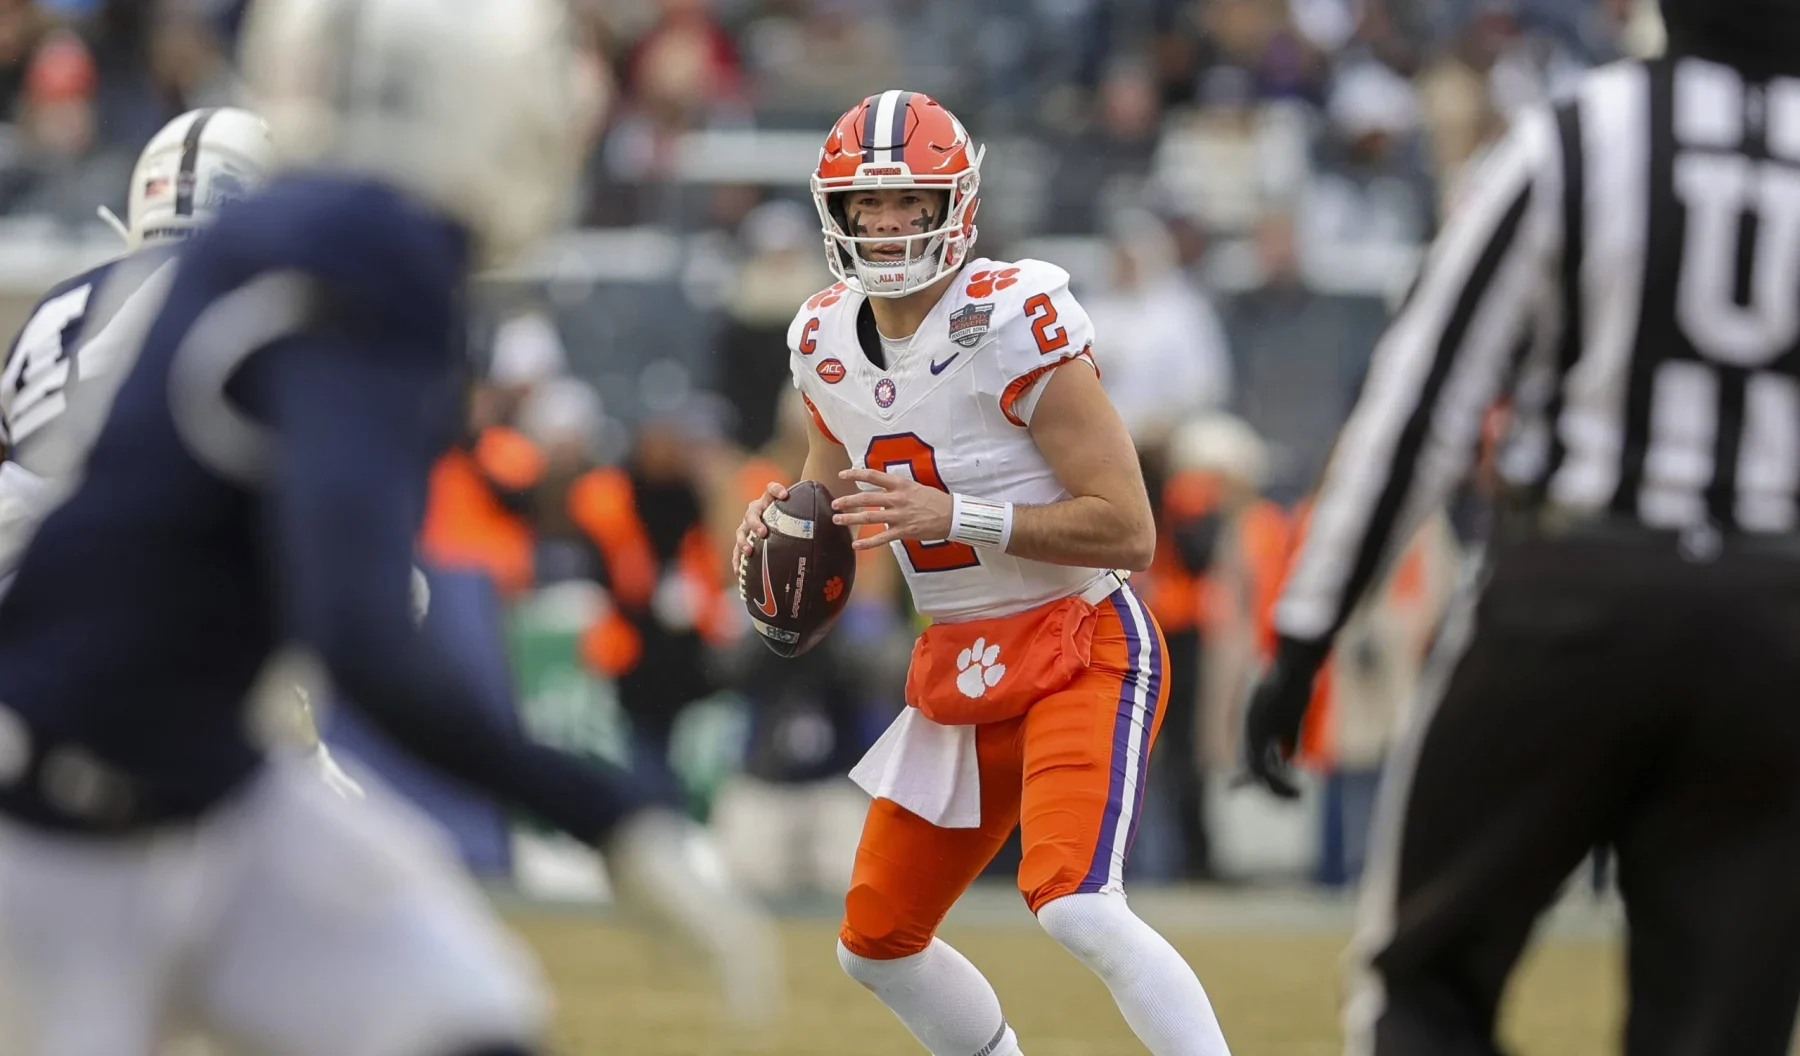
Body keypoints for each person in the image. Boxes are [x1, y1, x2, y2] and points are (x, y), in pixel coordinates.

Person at [0, 3, 778, 1055]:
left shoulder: (276, 244)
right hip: (63, 830)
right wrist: (608, 811)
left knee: (468, 1017)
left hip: (210, 777)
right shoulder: (371, 253)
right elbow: (361, 639)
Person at [1241, 2, 1800, 1053]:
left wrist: (1306, 629)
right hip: (1777, 623)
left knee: (1424, 986)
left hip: (1580, 592)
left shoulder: (1579, 134)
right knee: (1725, 1027)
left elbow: (1422, 405)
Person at [738, 89, 1231, 1056]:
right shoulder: (822, 340)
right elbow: (830, 496)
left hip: (1081, 640)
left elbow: (1129, 529)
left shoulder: (1016, 315)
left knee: (1077, 904)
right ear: (834, 214)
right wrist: (782, 524)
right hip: (964, 664)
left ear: (952, 206)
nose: (885, 225)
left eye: (909, 204)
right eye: (866, 207)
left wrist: (961, 514)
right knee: (875, 945)